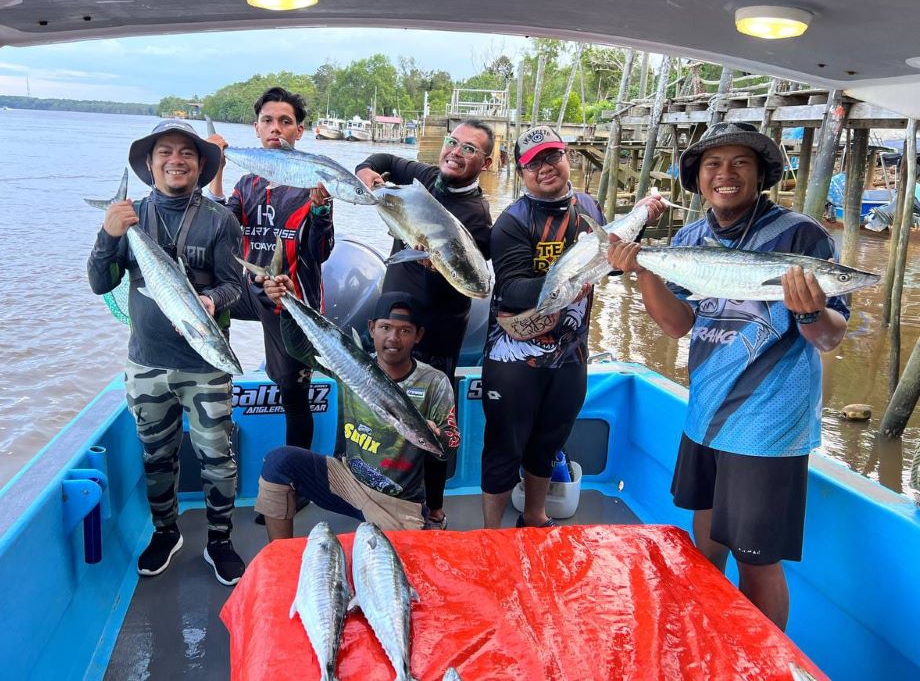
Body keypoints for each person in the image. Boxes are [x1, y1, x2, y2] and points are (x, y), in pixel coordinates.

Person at [606, 121, 850, 630]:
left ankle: (761, 661)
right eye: (713, 164)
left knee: (758, 559)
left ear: (762, 173)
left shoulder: (803, 236)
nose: (726, 174)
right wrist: (645, 269)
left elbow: (830, 338)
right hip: (705, 414)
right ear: (697, 179)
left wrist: (808, 312)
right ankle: (708, 634)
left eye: (741, 162)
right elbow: (677, 325)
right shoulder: (690, 238)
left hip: (768, 424)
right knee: (708, 533)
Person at [87, 119, 246, 586]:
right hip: (147, 363)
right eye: (166, 152)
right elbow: (101, 283)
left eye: (187, 153)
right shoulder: (130, 216)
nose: (176, 160)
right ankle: (165, 532)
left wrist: (214, 299)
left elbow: (235, 284)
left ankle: (220, 540)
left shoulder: (222, 221)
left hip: (206, 365)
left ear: (200, 165)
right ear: (151, 163)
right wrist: (108, 234)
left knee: (217, 456)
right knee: (156, 455)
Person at [481, 125, 663, 530]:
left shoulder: (589, 208)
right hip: (514, 359)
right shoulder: (512, 223)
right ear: (522, 170)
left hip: (571, 355)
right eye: (533, 163)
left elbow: (610, 270)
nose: (545, 168)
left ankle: (534, 516)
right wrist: (566, 279)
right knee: (503, 447)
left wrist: (640, 225)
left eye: (552, 157)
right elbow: (510, 290)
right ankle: (491, 532)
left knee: (550, 441)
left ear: (567, 157)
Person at [355, 120, 494, 529]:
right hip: (390, 320)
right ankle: (374, 493)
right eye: (453, 142)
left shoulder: (478, 218)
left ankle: (433, 507)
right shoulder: (425, 177)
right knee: (375, 411)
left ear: (485, 163)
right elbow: (380, 159)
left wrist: (436, 267)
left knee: (433, 428)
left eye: (469, 149)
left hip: (435, 335)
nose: (456, 151)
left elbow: (470, 282)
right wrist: (368, 173)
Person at [254, 282, 459, 540]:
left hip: (397, 499)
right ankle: (280, 557)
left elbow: (448, 446)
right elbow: (298, 349)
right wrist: (285, 307)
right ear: (372, 329)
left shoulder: (434, 382)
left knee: (399, 569)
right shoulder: (349, 364)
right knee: (278, 462)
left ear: (418, 335)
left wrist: (438, 436)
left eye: (404, 330)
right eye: (385, 328)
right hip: (346, 480)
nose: (393, 339)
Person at [207, 86, 334, 483]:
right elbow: (223, 227)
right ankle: (208, 377)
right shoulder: (247, 183)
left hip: (292, 302)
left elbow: (320, 251)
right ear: (256, 128)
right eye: (268, 121)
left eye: (285, 121)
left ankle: (294, 482)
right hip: (250, 292)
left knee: (293, 397)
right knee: (198, 294)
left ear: (300, 131)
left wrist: (322, 208)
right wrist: (217, 168)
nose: (275, 128)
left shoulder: (312, 179)